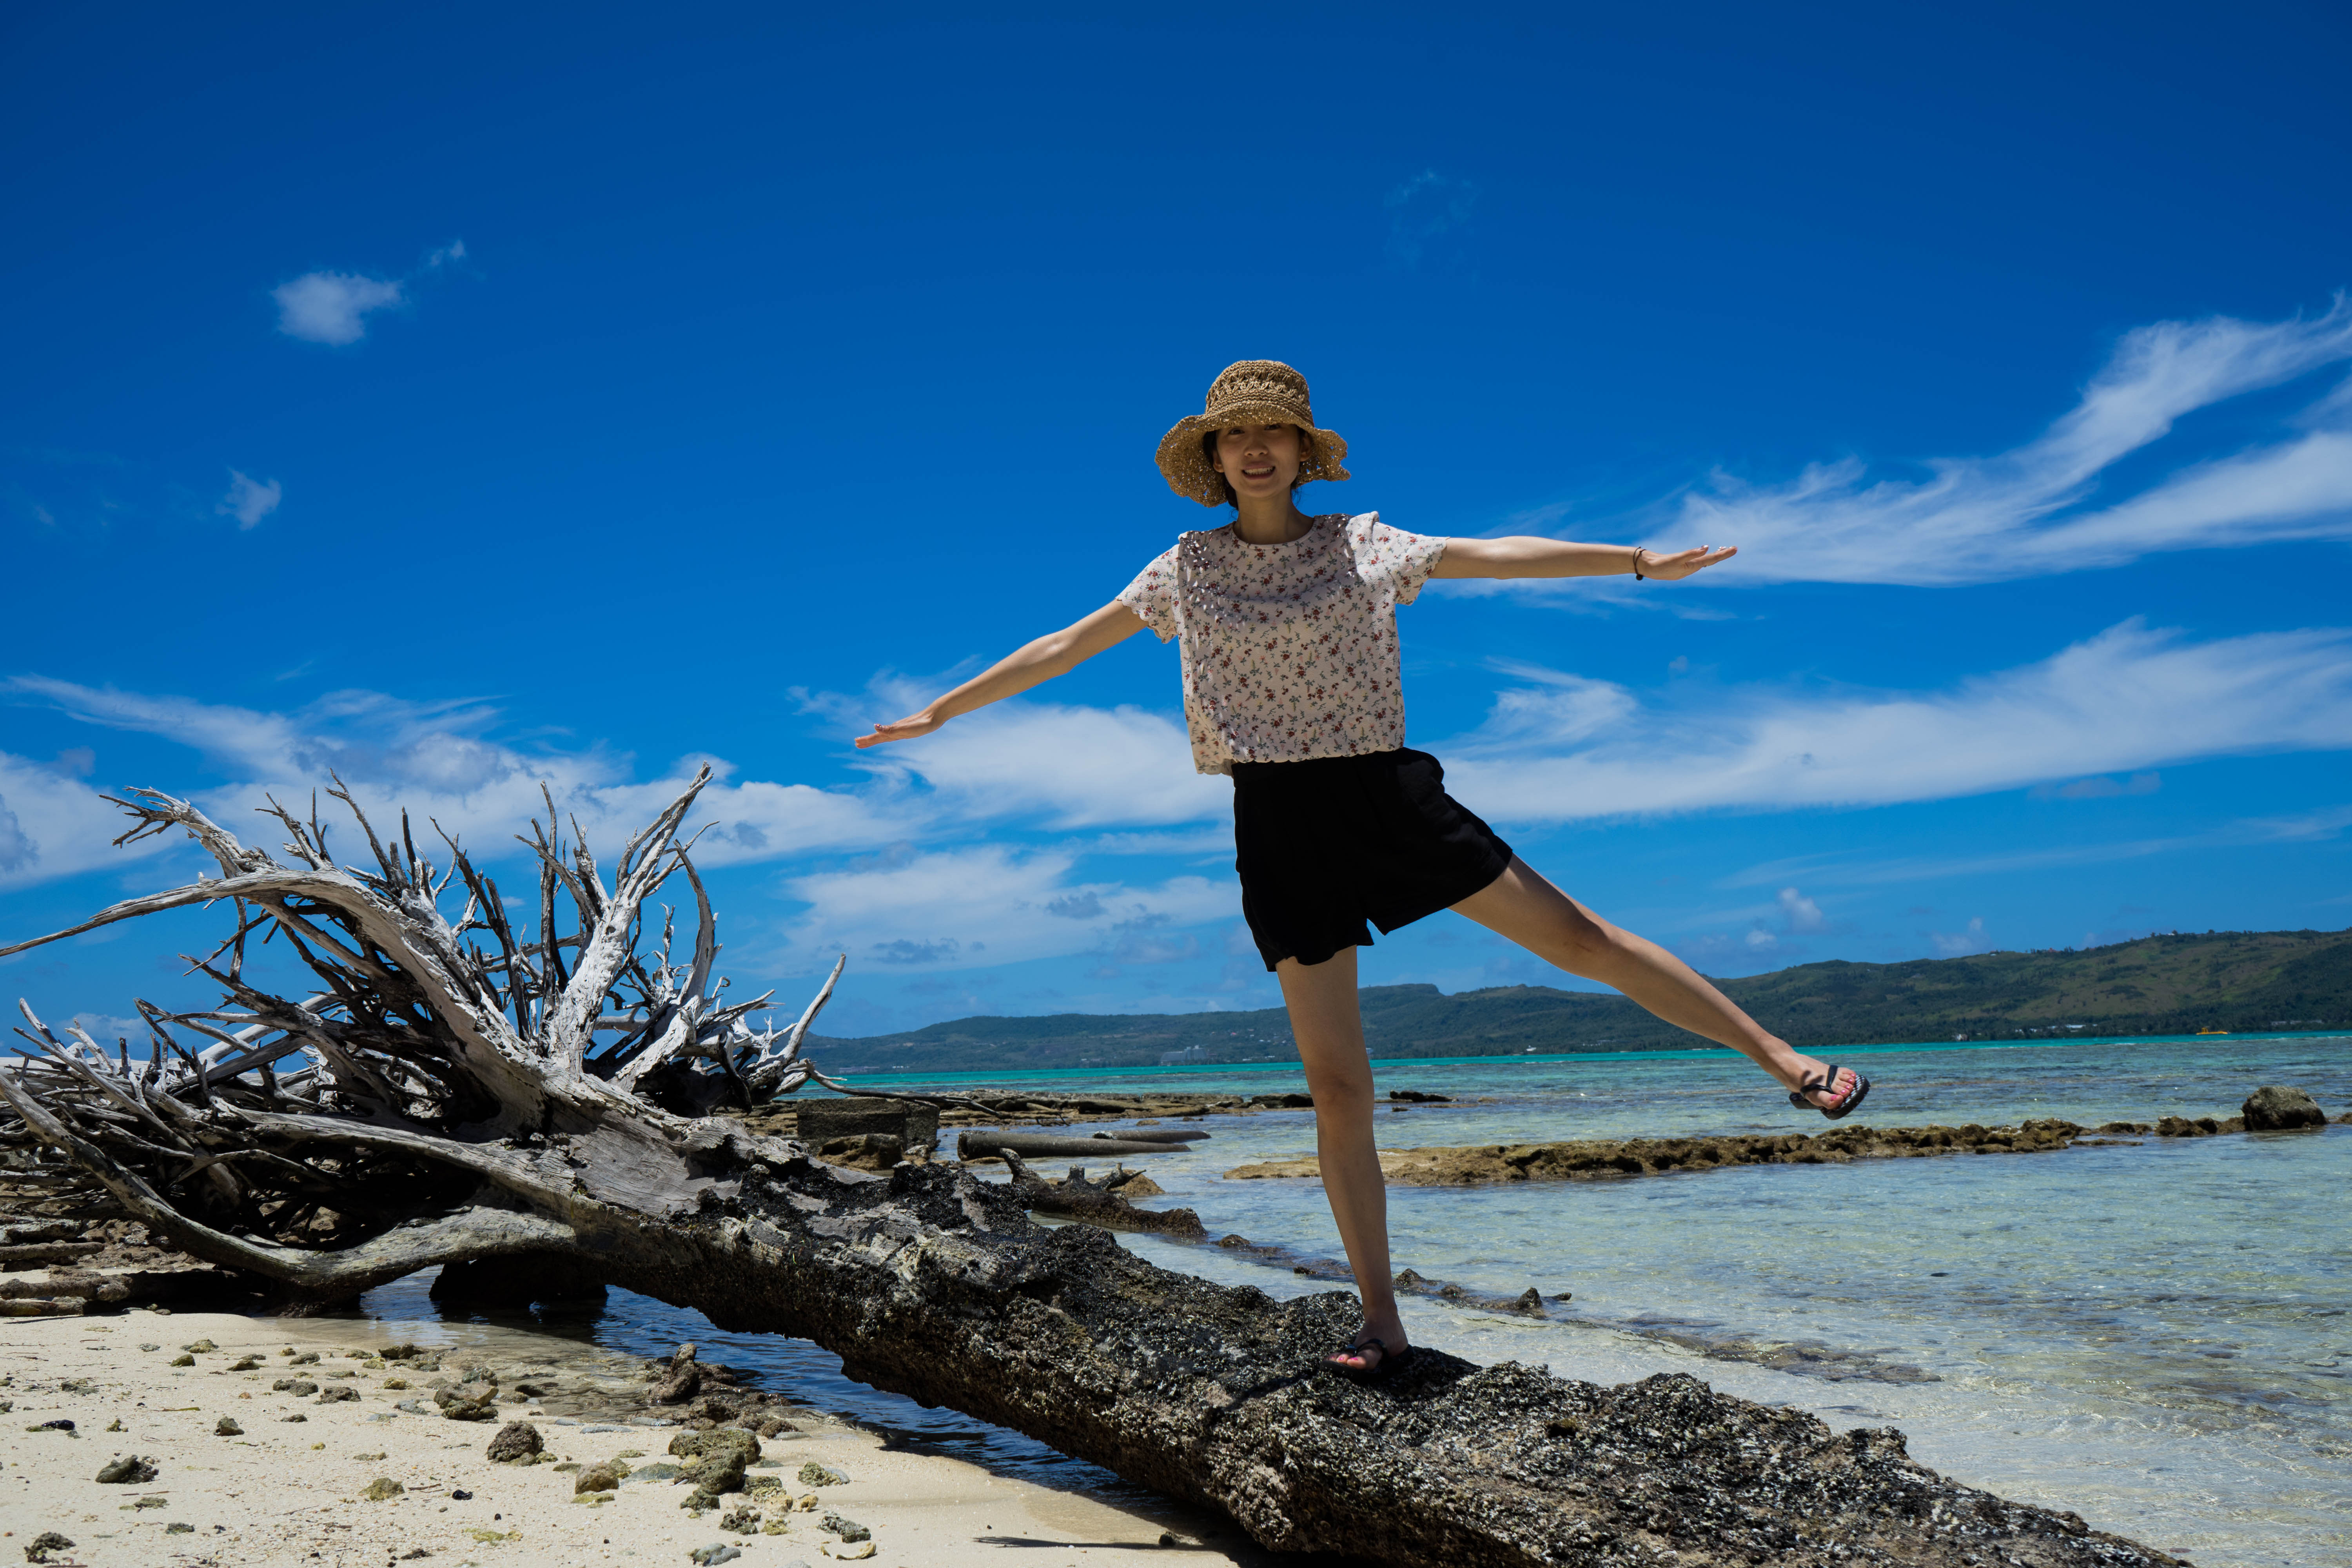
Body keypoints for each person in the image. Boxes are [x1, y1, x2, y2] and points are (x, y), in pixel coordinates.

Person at [857, 360, 1869, 1379]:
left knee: (1581, 941)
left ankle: (1787, 1063)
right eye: (1234, 436)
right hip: (1278, 821)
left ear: (1304, 453)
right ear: (1213, 459)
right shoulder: (1182, 571)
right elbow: (1066, 645)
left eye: (1275, 433)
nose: (1255, 449)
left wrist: (1637, 559)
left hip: (1386, 797)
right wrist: (945, 709)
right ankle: (1382, 1321)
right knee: (1338, 1088)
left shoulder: (1364, 544)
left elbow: (1493, 555)